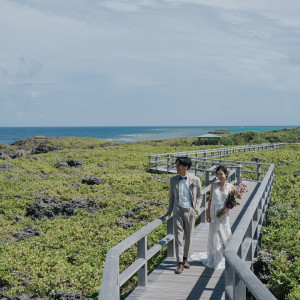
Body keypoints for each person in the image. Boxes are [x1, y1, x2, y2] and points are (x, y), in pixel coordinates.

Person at [163, 157, 202, 274]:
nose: (176, 167)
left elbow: (199, 195)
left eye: (178, 165)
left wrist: (196, 209)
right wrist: (169, 210)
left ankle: (185, 258)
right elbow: (171, 197)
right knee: (178, 237)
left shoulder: (195, 180)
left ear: (185, 167)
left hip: (190, 211)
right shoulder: (173, 179)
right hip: (177, 211)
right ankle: (179, 262)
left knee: (189, 236)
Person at [191, 165, 235, 269]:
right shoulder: (214, 185)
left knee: (224, 233)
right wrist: (207, 214)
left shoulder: (231, 187)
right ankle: (216, 257)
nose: (219, 176)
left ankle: (227, 255)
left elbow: (232, 203)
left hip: (223, 214)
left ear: (226, 174)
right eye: (217, 174)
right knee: (214, 235)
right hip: (213, 212)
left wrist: (226, 210)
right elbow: (210, 200)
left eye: (221, 174)